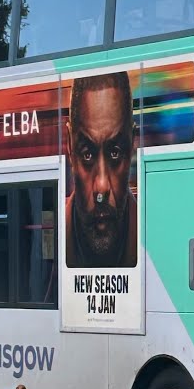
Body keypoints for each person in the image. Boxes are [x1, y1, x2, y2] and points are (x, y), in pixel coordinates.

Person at [65, 72, 138, 268]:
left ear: (133, 143)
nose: (102, 187)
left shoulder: (154, 235)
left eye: (115, 153)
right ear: (70, 146)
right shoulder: (57, 233)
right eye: (87, 154)